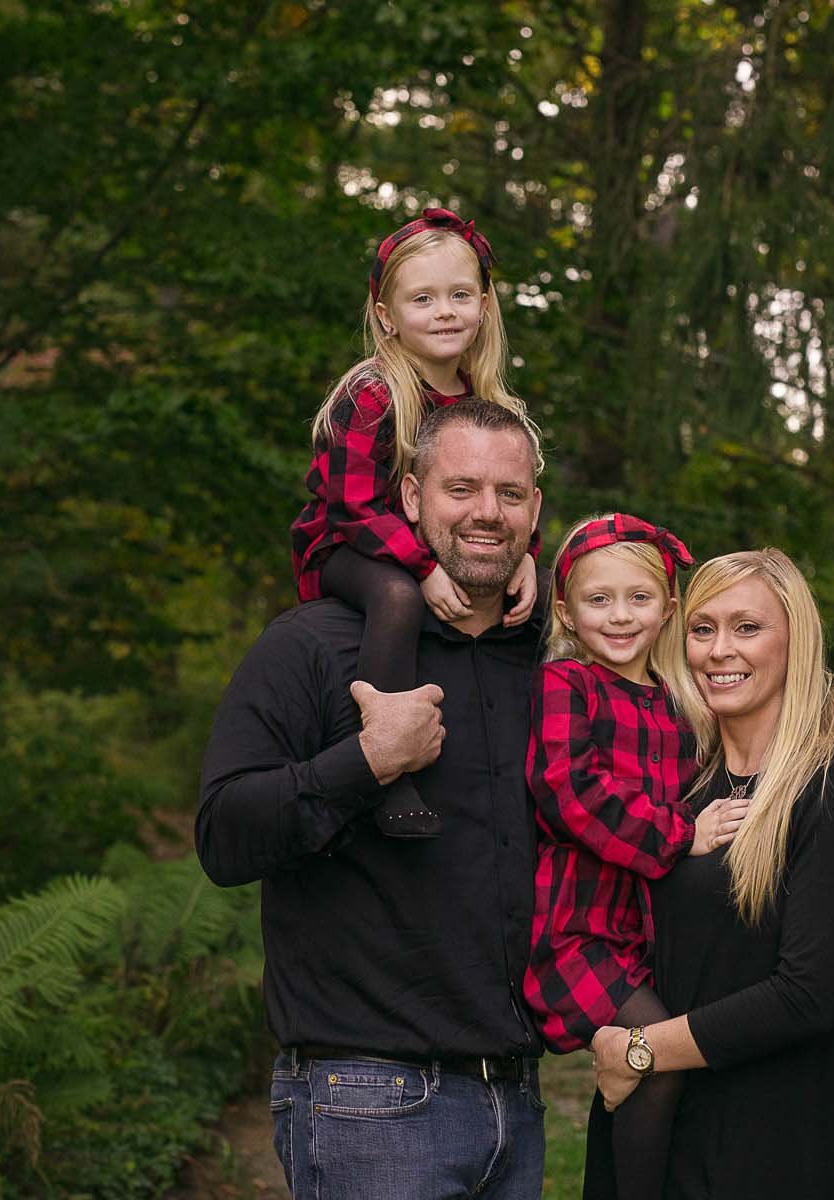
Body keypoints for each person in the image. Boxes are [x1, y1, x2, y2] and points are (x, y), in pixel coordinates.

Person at [202, 400, 549, 1199]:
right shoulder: (313, 645)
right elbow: (222, 836)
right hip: (368, 1099)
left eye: (511, 493)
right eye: (461, 488)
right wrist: (366, 761)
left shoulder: (550, 659)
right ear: (413, 498)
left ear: (536, 509)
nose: (487, 513)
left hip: (518, 1102)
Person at [583, 549, 834, 1200]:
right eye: (702, 629)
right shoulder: (675, 794)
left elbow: (806, 996)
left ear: (796, 642)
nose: (719, 650)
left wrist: (638, 1051)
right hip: (649, 1141)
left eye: (747, 627)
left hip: (765, 1151)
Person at [523, 514, 754, 1200]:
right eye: (599, 600)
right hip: (573, 932)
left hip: (651, 932)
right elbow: (567, 792)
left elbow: (771, 735)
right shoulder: (567, 685)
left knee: (643, 1075)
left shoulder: (682, 703)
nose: (620, 617)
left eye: (640, 599)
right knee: (657, 1057)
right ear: (565, 609)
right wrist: (681, 835)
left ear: (670, 607)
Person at [290, 207, 539, 839]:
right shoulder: (374, 393)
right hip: (344, 545)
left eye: (460, 295)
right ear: (386, 317)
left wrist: (529, 554)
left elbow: (510, 495)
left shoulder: (484, 401)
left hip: (420, 545)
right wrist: (423, 569)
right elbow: (351, 508)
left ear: (484, 304)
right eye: (423, 298)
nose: (445, 311)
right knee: (397, 600)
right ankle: (382, 757)